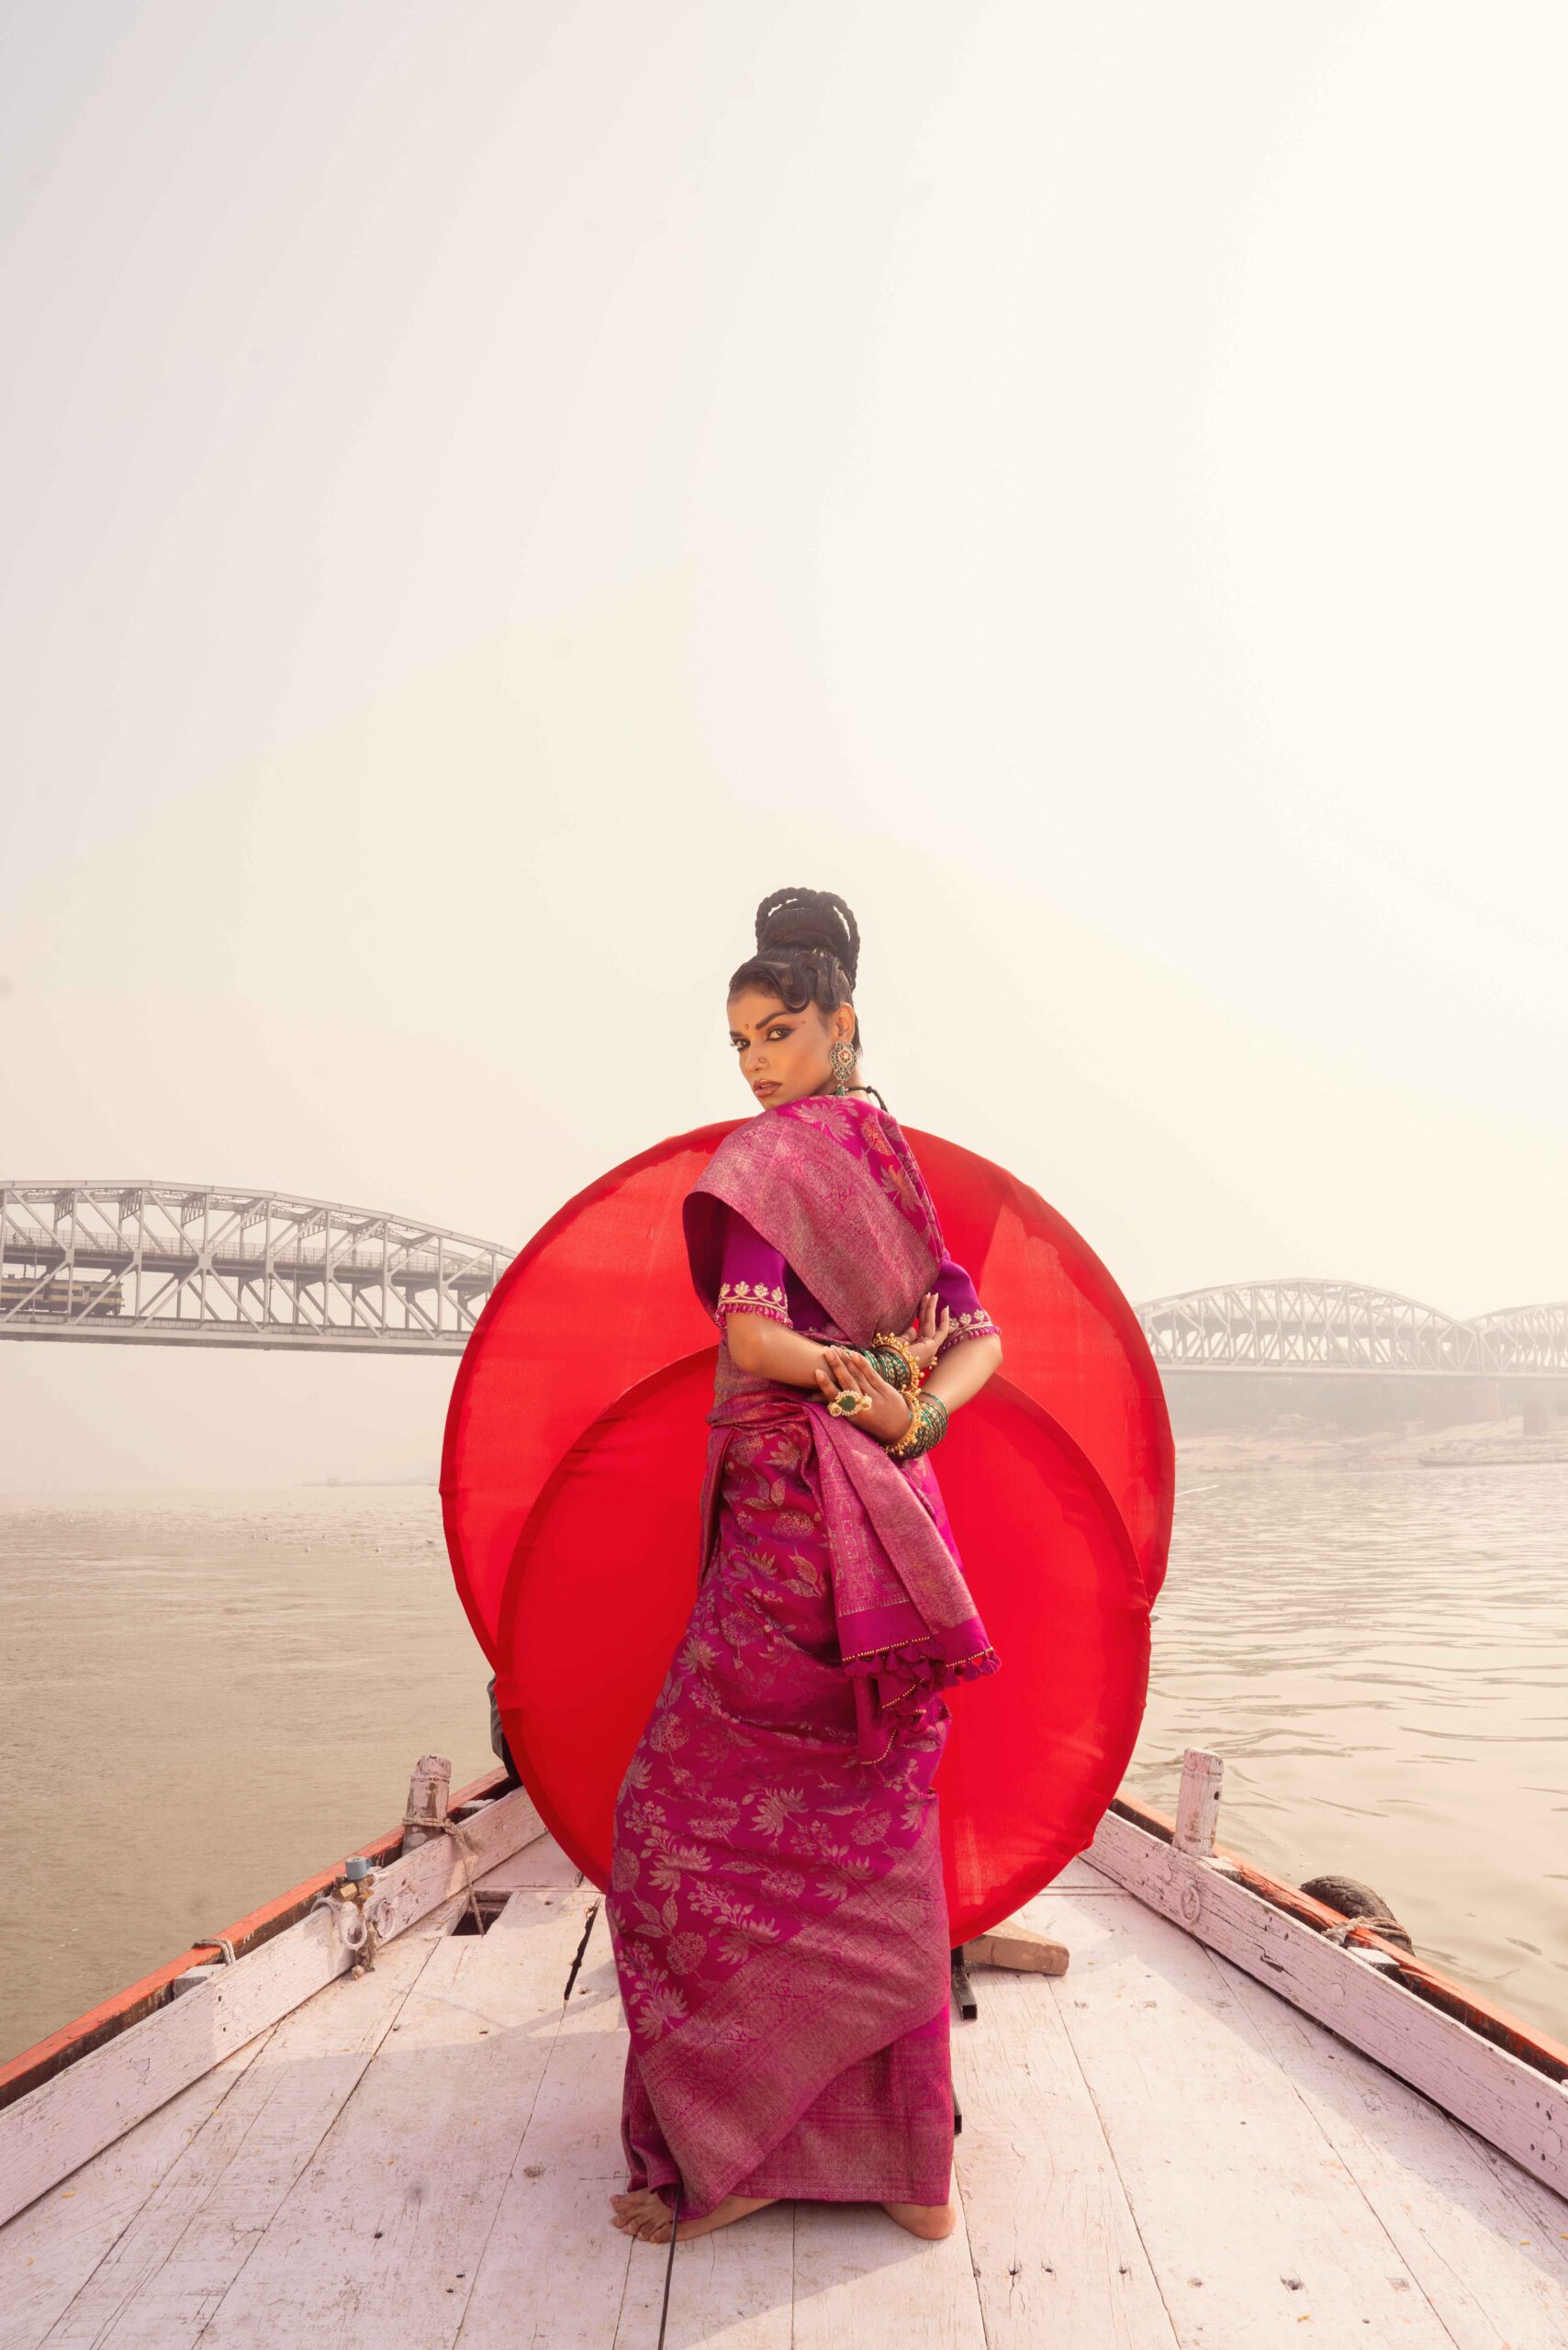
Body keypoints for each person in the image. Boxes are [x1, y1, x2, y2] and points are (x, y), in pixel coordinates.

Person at [607, 885, 1004, 2249]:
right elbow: (977, 1335)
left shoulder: (770, 1162)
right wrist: (915, 1413)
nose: (756, 1064)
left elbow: (750, 1338)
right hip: (896, 1523)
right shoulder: (890, 1166)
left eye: (776, 1032)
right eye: (739, 1043)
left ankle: (748, 2147)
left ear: (841, 1023)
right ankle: (908, 2170)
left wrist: (856, 1382)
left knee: (675, 1831)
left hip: (795, 1528)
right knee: (877, 1820)